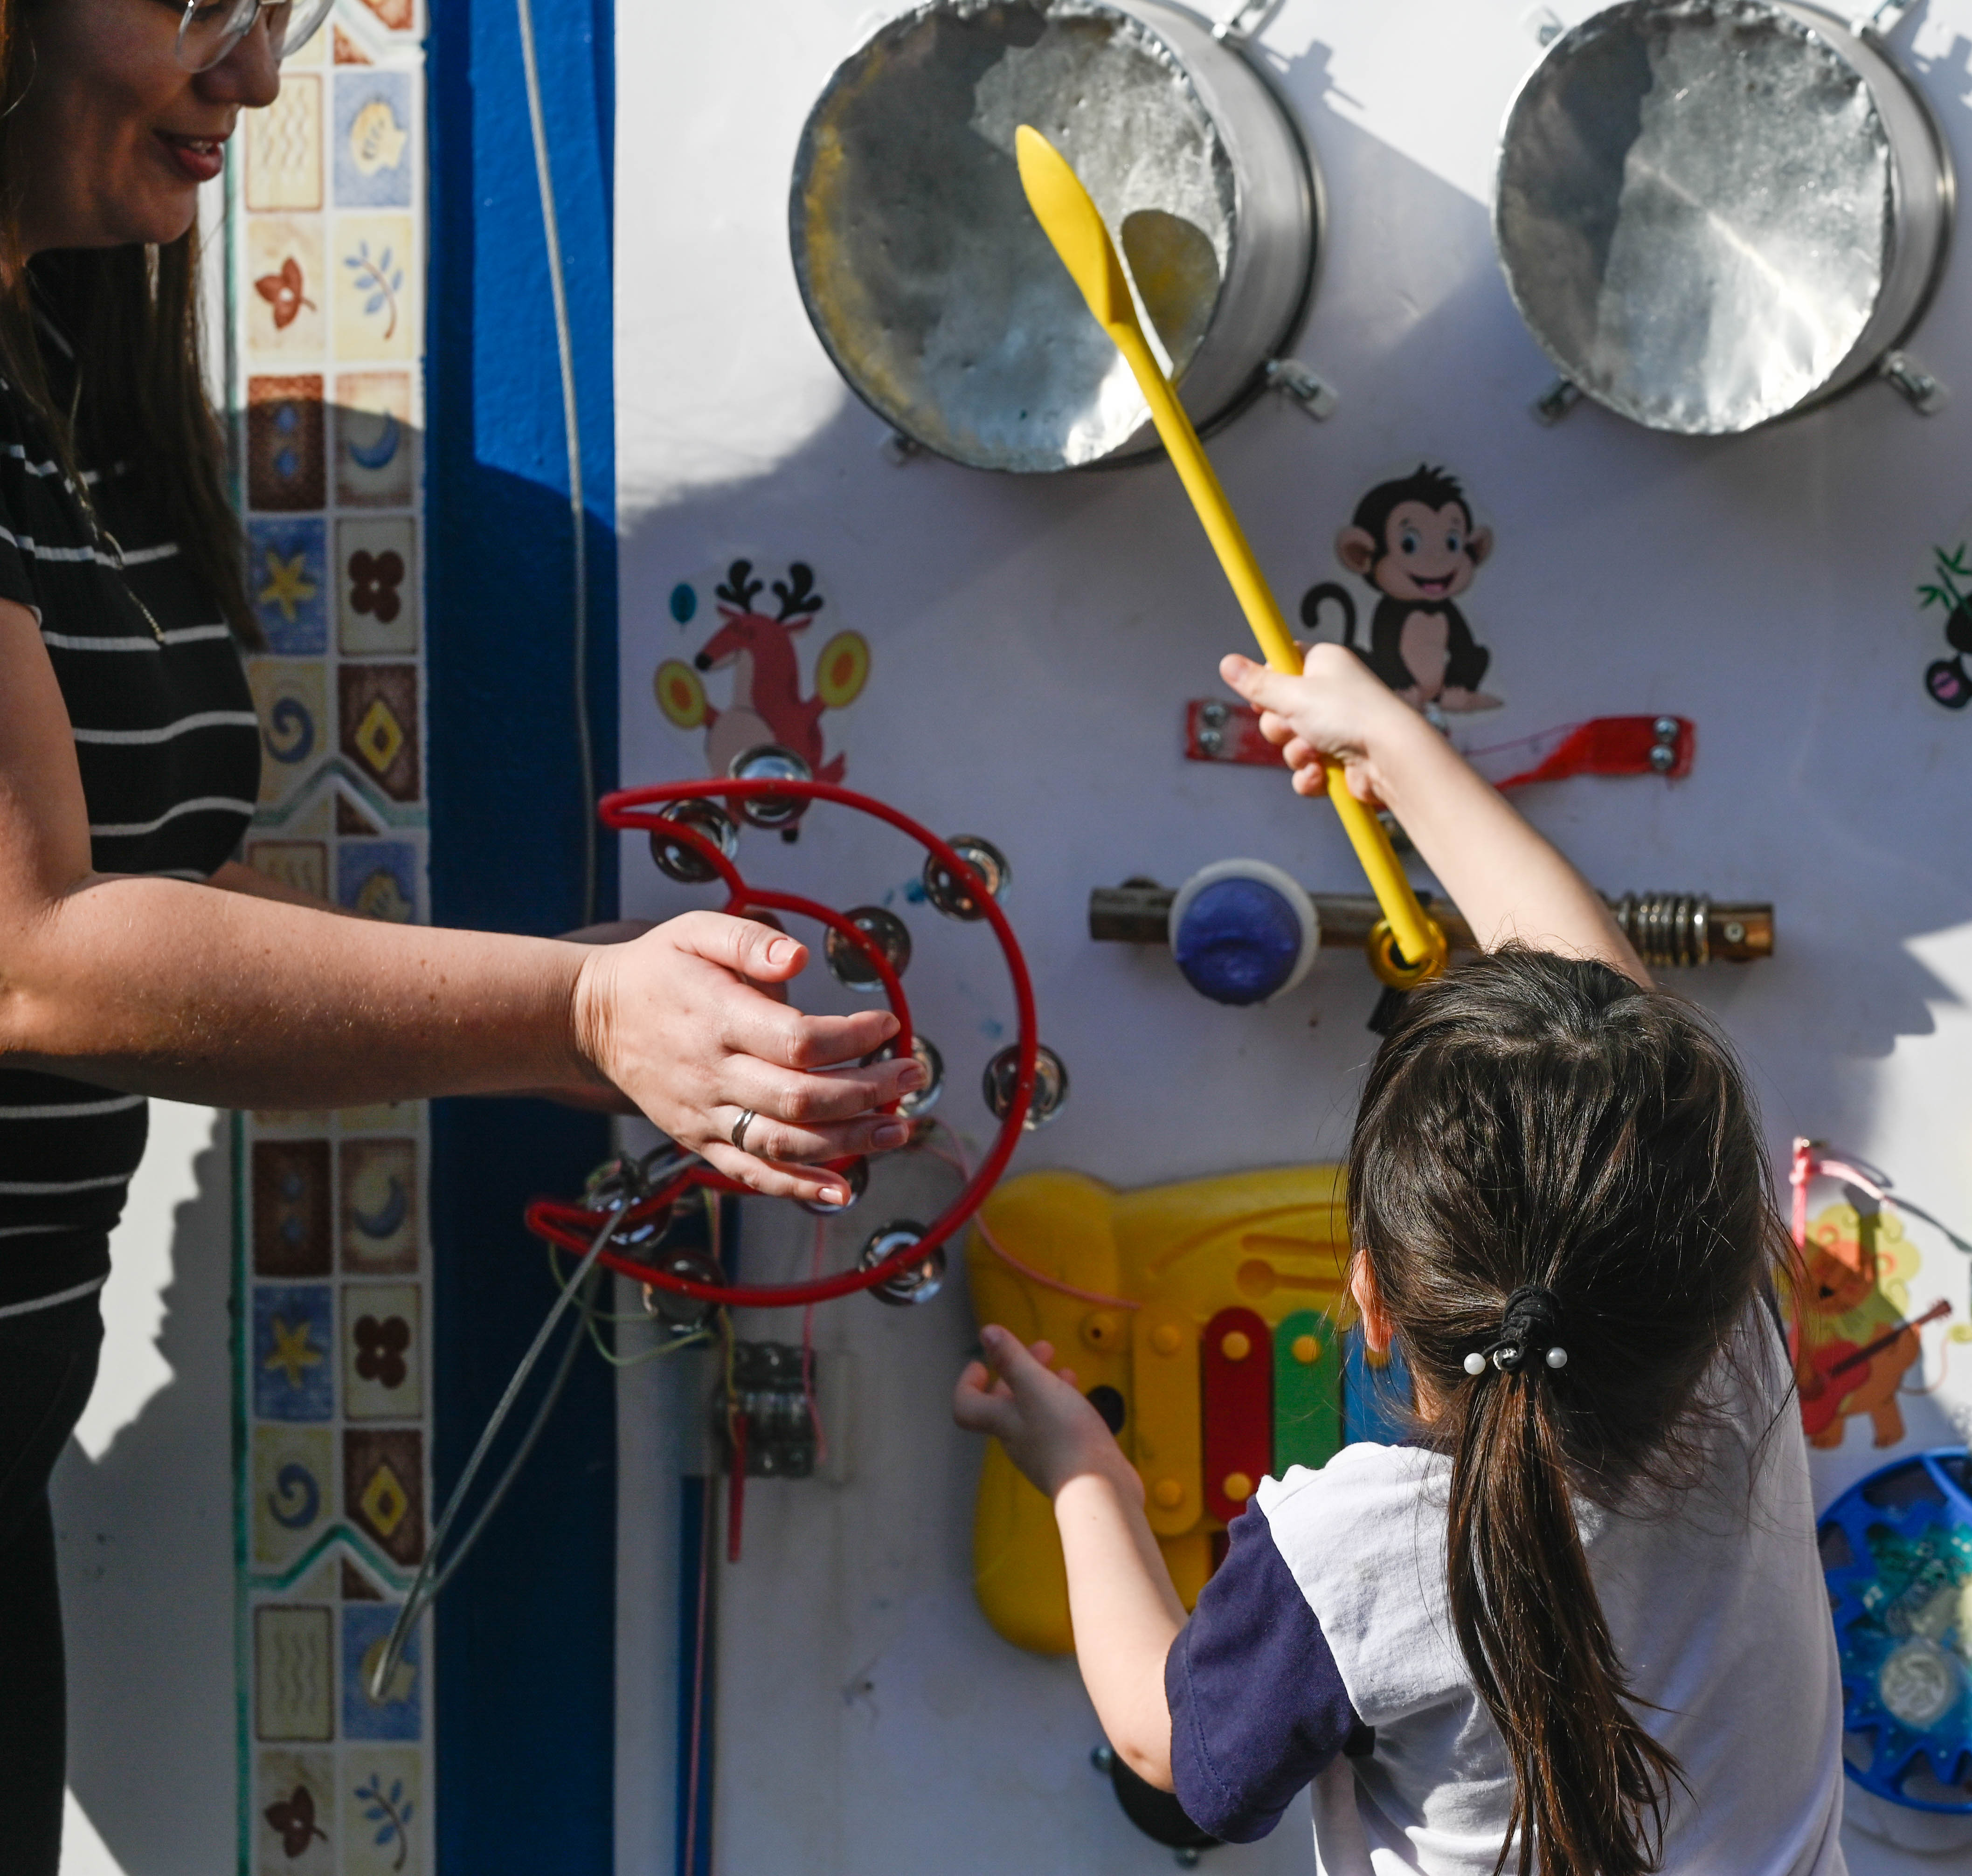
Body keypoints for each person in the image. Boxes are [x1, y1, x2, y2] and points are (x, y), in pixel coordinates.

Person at [0, 2, 916, 1864]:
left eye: (274, 17)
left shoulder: (58, 378)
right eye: (205, 9)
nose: (256, 79)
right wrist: (581, 1015)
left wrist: (633, 984)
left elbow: (152, 895)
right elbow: (33, 956)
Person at [954, 643, 1846, 1875]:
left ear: (1366, 1297)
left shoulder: (1345, 1558)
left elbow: (1174, 1754)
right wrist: (1396, 747)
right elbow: (1618, 1019)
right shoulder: (1733, 1372)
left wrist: (1080, 1467)